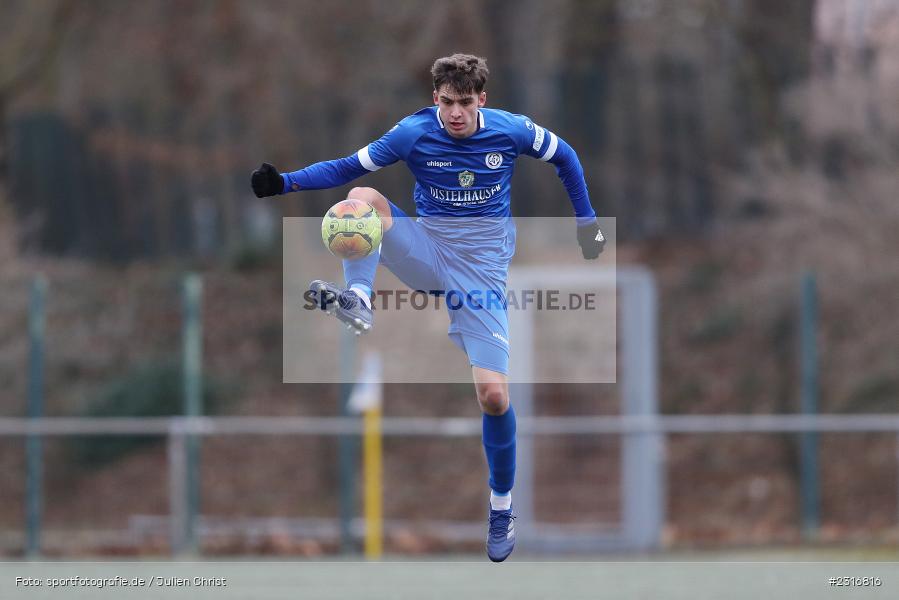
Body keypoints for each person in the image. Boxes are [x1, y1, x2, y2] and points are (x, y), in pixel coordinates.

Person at [251, 53, 604, 562]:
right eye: (445, 103)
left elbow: (566, 157)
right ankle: (360, 300)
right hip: (428, 250)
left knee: (494, 397)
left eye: (464, 103)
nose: (454, 113)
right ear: (433, 99)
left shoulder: (512, 131)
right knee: (363, 196)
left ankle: (500, 506)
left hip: (481, 273)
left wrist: (585, 222)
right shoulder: (411, 133)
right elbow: (347, 166)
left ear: (482, 100)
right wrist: (284, 182)